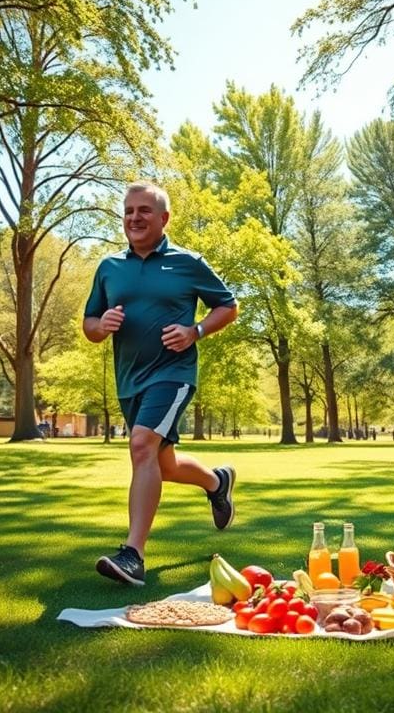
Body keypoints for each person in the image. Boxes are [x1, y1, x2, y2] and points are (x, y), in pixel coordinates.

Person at [83, 181, 239, 586]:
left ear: (164, 218)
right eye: (129, 211)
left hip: (173, 374)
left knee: (140, 445)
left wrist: (196, 331)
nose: (134, 218)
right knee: (161, 463)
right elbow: (90, 325)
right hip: (129, 380)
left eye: (144, 211)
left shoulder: (187, 263)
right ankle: (215, 482)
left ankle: (133, 553)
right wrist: (102, 325)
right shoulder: (109, 267)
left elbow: (228, 305)